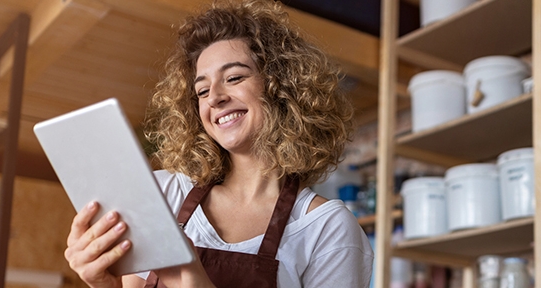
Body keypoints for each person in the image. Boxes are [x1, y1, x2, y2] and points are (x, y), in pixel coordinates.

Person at [63, 0, 374, 287]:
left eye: (235, 77)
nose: (214, 97)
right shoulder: (163, 194)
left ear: (281, 86)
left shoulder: (326, 228)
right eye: (201, 91)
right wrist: (102, 283)